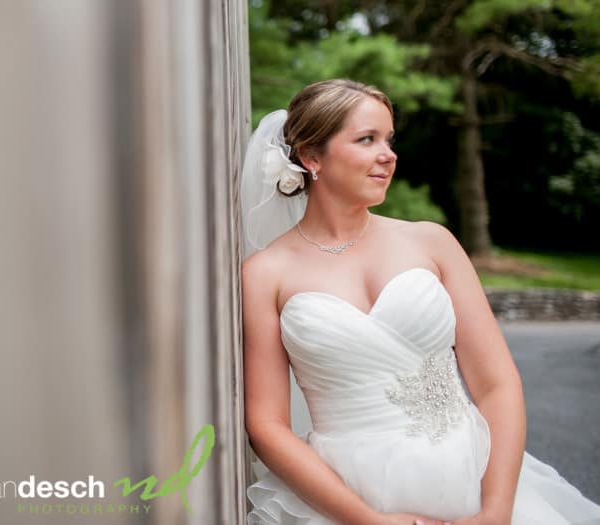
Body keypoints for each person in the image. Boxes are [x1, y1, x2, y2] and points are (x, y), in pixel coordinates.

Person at [239, 79, 600, 525]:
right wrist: (370, 521)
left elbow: (497, 384)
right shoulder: (265, 273)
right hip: (347, 496)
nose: (388, 154)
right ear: (312, 157)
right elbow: (267, 425)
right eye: (367, 139)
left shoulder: (432, 242)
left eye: (389, 139)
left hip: (471, 476)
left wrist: (496, 509)